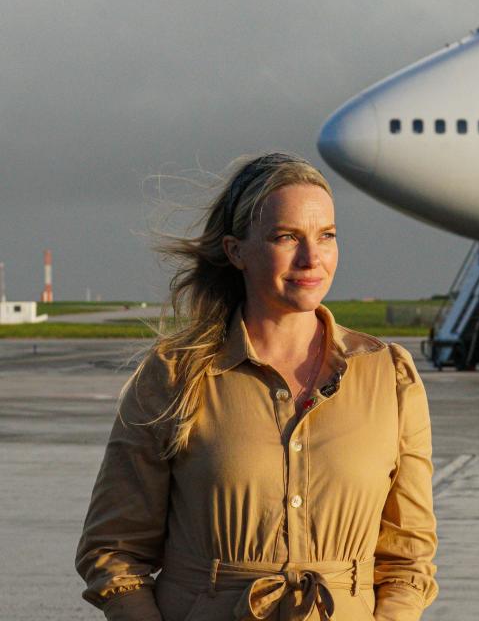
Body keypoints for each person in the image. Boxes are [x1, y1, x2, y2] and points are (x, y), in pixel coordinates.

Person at [76, 152, 438, 621]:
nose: (312, 258)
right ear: (236, 251)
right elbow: (114, 551)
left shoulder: (389, 375)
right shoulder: (174, 375)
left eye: (326, 236)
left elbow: (409, 558)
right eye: (286, 237)